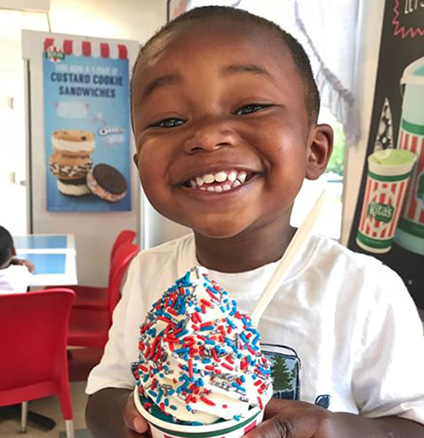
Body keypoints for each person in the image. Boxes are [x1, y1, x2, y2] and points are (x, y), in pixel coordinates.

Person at [85, 6, 424, 438]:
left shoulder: (364, 289)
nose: (208, 135)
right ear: (140, 164)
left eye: (250, 107)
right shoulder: (148, 273)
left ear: (315, 151)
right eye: (169, 120)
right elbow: (102, 398)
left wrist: (338, 428)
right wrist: (135, 415)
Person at [0, 225, 34, 293]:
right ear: (14, 251)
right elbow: (30, 266)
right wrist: (18, 261)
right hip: (15, 304)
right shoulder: (20, 273)